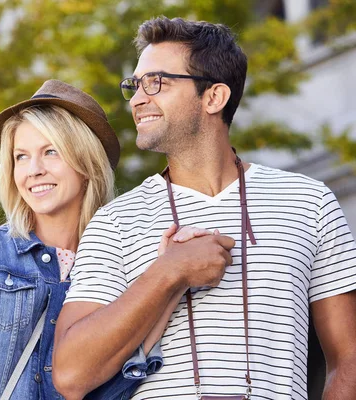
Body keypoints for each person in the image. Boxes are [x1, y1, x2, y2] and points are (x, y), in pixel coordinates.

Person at [53, 17, 356, 400]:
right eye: (134, 85)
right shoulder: (116, 221)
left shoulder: (310, 202)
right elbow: (70, 374)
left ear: (214, 97)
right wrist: (169, 272)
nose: (136, 99)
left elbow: (348, 360)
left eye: (156, 82)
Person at [0, 80, 149, 399]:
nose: (33, 170)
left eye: (50, 152)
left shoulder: (120, 272)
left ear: (86, 164)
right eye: (21, 157)